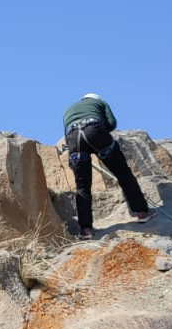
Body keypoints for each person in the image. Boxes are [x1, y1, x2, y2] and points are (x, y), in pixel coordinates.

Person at [62, 93, 154, 240]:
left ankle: (86, 230)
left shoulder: (69, 109)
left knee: (82, 187)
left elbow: (67, 133)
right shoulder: (100, 103)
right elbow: (111, 123)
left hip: (74, 138)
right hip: (94, 131)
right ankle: (142, 212)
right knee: (123, 173)